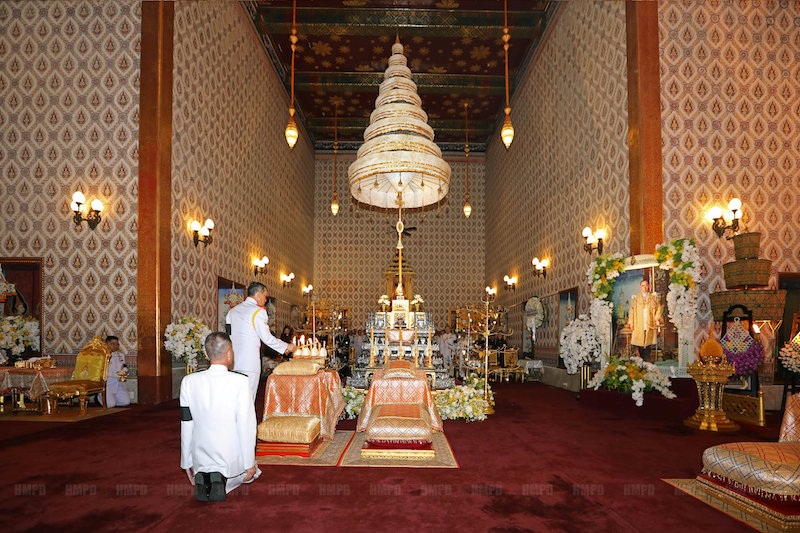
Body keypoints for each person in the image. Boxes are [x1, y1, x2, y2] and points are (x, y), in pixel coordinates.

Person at [180, 332, 260, 502]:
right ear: (230, 353)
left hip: (200, 455)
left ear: (206, 353)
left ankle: (205, 475)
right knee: (252, 474)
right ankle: (224, 479)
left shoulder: (188, 381)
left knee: (204, 460)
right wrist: (250, 464)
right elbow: (246, 426)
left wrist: (186, 462)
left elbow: (186, 423)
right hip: (230, 457)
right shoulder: (241, 381)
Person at [226, 282, 297, 401]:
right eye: (265, 297)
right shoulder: (258, 311)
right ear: (258, 295)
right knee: (248, 399)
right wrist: (287, 346)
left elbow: (229, 336)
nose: (265, 300)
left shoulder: (232, 311)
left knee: (235, 398)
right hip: (250, 362)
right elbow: (267, 338)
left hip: (233, 362)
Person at [627, 279, 663, 361]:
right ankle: (641, 360)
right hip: (639, 323)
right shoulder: (636, 298)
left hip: (649, 322)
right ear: (640, 287)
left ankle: (647, 360)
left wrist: (657, 318)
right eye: (643, 285)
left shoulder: (653, 297)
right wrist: (631, 322)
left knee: (648, 342)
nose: (645, 287)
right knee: (640, 342)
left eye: (646, 285)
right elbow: (631, 311)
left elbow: (659, 308)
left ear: (649, 286)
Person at [103, 336, 130, 408]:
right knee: (110, 405)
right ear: (106, 344)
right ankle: (100, 398)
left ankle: (112, 399)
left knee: (125, 402)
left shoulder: (120, 355)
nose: (115, 346)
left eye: (117, 344)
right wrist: (114, 374)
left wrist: (125, 371)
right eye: (113, 344)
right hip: (107, 383)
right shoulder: (102, 356)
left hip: (118, 383)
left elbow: (124, 366)